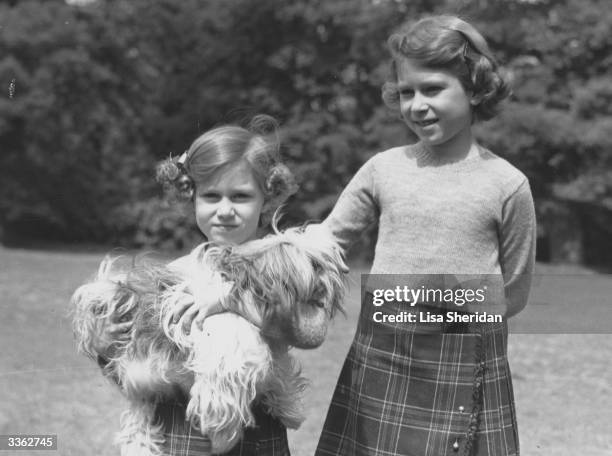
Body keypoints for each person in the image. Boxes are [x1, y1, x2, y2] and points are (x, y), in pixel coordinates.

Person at [314, 15, 536, 456]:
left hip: (464, 356)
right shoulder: (383, 168)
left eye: (433, 89)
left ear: (474, 88)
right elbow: (324, 244)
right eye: (405, 92)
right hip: (383, 353)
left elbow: (514, 290)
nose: (416, 105)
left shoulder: (507, 183)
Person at [91, 115, 299, 456]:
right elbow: (137, 375)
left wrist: (231, 302)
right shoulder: (176, 275)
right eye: (212, 196)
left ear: (268, 197)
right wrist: (107, 348)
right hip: (180, 438)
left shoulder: (277, 267)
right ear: (192, 197)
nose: (225, 210)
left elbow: (306, 330)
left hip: (257, 438)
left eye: (241, 196)